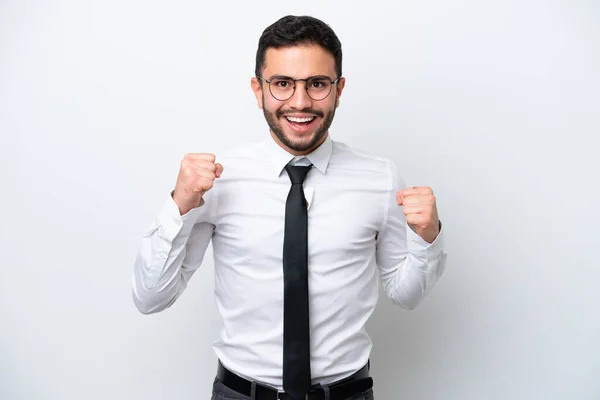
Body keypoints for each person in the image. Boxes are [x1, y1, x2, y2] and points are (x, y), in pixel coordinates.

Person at [132, 15, 447, 400]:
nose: (300, 102)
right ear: (258, 89)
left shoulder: (379, 178)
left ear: (338, 89)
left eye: (317, 84)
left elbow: (407, 294)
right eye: (282, 84)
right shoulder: (218, 179)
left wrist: (427, 239)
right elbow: (150, 298)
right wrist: (178, 206)